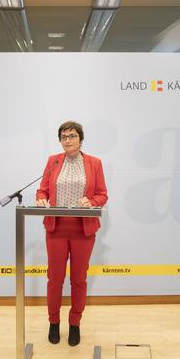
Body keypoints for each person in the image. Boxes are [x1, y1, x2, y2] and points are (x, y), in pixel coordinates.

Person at [36, 121, 108, 346]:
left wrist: (92, 201)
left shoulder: (94, 163)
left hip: (82, 231)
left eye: (72, 136)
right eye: (64, 136)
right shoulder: (53, 161)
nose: (68, 140)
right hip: (56, 229)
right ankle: (54, 323)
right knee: (54, 280)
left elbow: (102, 194)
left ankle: (75, 324)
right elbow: (42, 189)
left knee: (78, 280)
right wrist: (41, 198)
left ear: (81, 139)